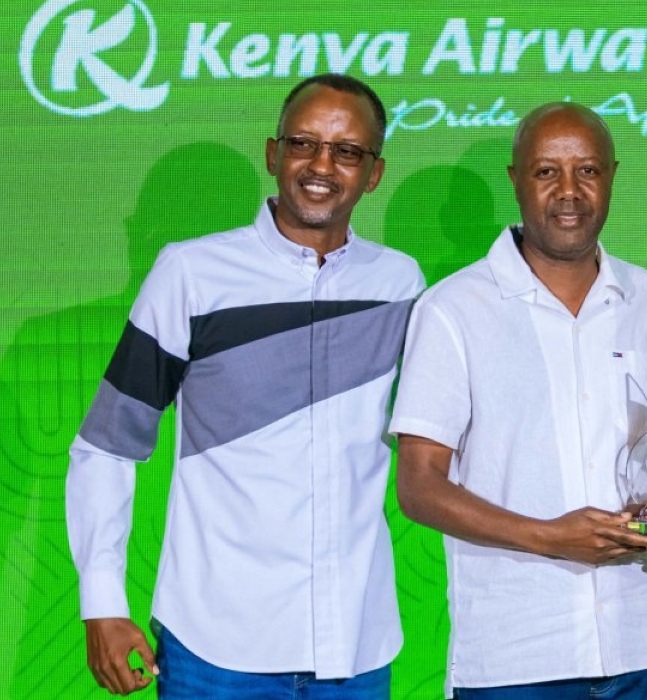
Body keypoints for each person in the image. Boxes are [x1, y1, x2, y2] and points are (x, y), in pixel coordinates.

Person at [65, 73, 425, 697]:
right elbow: (108, 445)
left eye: (347, 151)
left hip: (358, 649)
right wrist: (101, 601)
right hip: (214, 649)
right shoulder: (193, 273)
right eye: (303, 143)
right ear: (272, 154)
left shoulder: (400, 284)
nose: (321, 165)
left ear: (374, 173)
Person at [389, 103, 647, 699]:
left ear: (612, 176)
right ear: (515, 179)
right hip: (515, 655)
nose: (569, 192)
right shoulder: (452, 310)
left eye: (588, 171)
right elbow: (419, 486)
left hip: (644, 640)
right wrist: (548, 536)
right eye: (546, 172)